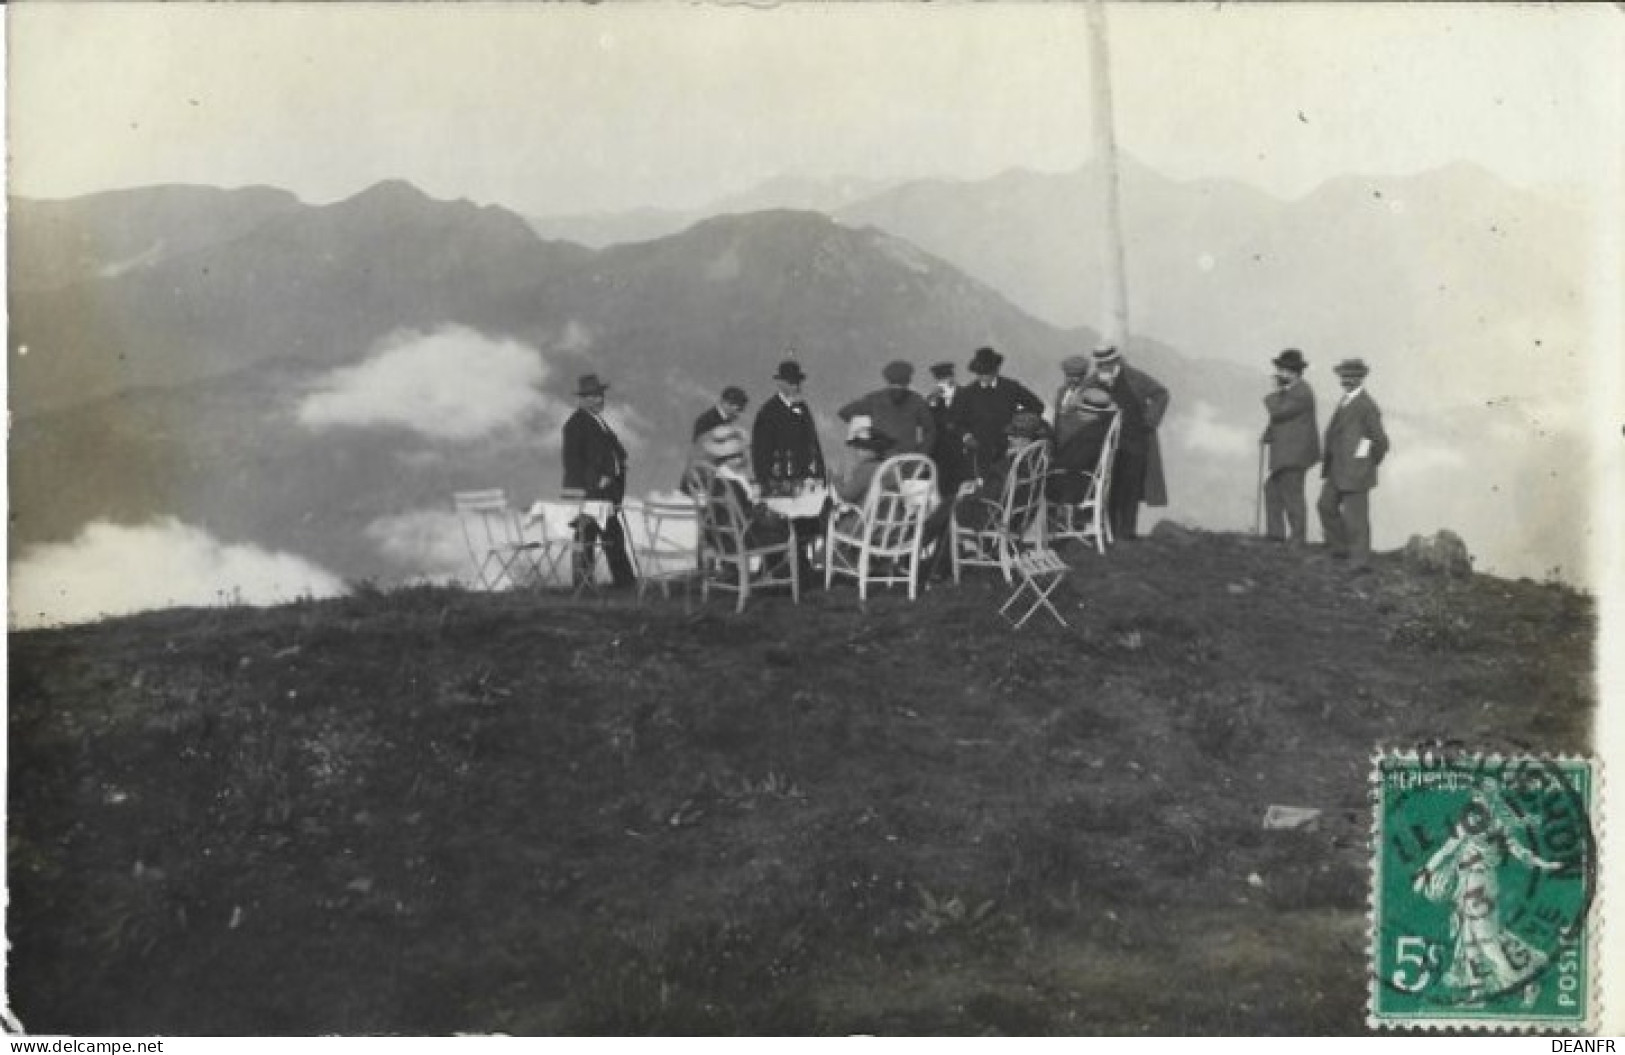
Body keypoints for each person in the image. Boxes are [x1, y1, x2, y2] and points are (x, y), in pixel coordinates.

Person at [922, 411, 1051, 577]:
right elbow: (1002, 490)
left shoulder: (1011, 466)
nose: (1009, 439)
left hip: (996, 516)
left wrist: (970, 493)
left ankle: (923, 554)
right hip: (1019, 515)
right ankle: (935, 563)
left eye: (1016, 436)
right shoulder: (1036, 460)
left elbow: (991, 495)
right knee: (951, 506)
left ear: (1028, 440)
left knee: (951, 507)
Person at [750, 358, 828, 583]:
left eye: (798, 382)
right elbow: (760, 454)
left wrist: (819, 473)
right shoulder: (767, 412)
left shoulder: (802, 408)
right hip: (779, 483)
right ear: (780, 384)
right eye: (792, 383)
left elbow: (814, 443)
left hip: (803, 480)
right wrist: (769, 483)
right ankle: (777, 566)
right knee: (781, 521)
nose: (796, 387)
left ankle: (799, 564)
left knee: (814, 514)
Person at [561, 373, 637, 588]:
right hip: (591, 492)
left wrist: (617, 469)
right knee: (590, 537)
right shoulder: (576, 424)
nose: (599, 400)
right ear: (582, 399)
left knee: (605, 536)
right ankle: (602, 584)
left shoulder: (597, 422)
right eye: (593, 396)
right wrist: (595, 481)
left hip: (605, 492)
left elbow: (612, 452)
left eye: (600, 395)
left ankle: (619, 584)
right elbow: (574, 461)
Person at [1088, 343, 1170, 541]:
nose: (1103, 368)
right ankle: (1108, 530)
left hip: (1135, 441)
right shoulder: (1092, 381)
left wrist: (1150, 421)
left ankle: (1127, 532)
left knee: (1131, 486)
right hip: (1106, 445)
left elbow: (1161, 394)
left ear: (1116, 361)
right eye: (1100, 364)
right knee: (1108, 485)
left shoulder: (1135, 378)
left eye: (1107, 364)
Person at [1317, 357, 1390, 570]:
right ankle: (1340, 548)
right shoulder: (1345, 400)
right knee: (1325, 505)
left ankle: (1359, 561)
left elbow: (1380, 441)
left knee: (1355, 519)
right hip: (1336, 469)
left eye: (1352, 377)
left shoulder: (1367, 406)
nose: (1347, 381)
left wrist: (1364, 460)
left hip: (1355, 472)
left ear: (1361, 378)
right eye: (1343, 377)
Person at [1259, 348, 1321, 545]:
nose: (1279, 373)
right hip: (1289, 453)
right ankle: (1276, 535)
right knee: (1272, 489)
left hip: (1295, 455)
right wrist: (1269, 433)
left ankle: (1297, 539)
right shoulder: (1293, 391)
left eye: (1282, 370)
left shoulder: (1301, 392)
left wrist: (1274, 393)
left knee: (1292, 494)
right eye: (1279, 369)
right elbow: (1284, 419)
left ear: (1294, 372)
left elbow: (1279, 412)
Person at [957, 346, 1044, 478]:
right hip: (979, 452)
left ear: (996, 370)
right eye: (980, 373)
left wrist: (1019, 421)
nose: (983, 376)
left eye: (987, 372)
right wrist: (966, 436)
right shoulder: (967, 393)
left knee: (1008, 487)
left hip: (1008, 450)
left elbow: (1037, 406)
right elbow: (956, 422)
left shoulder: (1011, 387)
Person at [837, 361, 936, 457]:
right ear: (908, 380)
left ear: (888, 380)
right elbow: (930, 430)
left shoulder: (874, 398)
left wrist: (867, 429)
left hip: (880, 458)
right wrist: (921, 453)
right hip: (909, 460)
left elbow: (844, 412)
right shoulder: (916, 400)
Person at [1049, 384, 1118, 505]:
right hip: (1089, 480)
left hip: (1070, 485)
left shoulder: (1076, 428)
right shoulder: (1105, 428)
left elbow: (1070, 460)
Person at [926, 361, 972, 500]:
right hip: (940, 452)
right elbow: (928, 421)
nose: (943, 382)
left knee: (959, 488)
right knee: (941, 489)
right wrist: (932, 401)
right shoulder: (933, 399)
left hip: (962, 450)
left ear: (952, 377)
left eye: (945, 378)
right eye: (939, 379)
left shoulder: (966, 394)